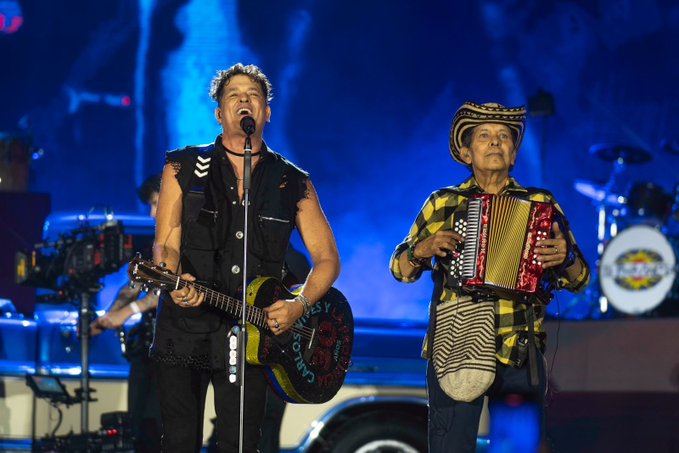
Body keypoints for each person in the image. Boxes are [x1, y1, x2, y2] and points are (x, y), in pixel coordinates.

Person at [150, 63, 340, 452]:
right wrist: (173, 280)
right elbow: (166, 244)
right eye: (233, 96)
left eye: (253, 95)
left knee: (240, 443)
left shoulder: (293, 181)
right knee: (180, 440)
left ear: (267, 111)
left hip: (253, 335)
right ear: (219, 113)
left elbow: (327, 259)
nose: (243, 101)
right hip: (185, 327)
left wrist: (299, 305)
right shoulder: (182, 166)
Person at [389, 101, 590, 452]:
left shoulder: (541, 203)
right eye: (484, 136)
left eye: (504, 137)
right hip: (456, 344)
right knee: (451, 445)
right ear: (466, 153)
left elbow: (581, 278)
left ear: (513, 155)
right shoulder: (442, 203)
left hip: (519, 346)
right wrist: (422, 249)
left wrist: (566, 256)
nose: (495, 142)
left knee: (518, 449)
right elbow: (399, 269)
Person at [90, 174, 162, 453]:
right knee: (139, 428)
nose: (152, 213)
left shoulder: (190, 241)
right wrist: (107, 317)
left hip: (175, 352)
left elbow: (165, 294)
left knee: (159, 428)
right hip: (146, 348)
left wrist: (130, 311)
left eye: (156, 204)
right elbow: (132, 289)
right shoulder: (151, 247)